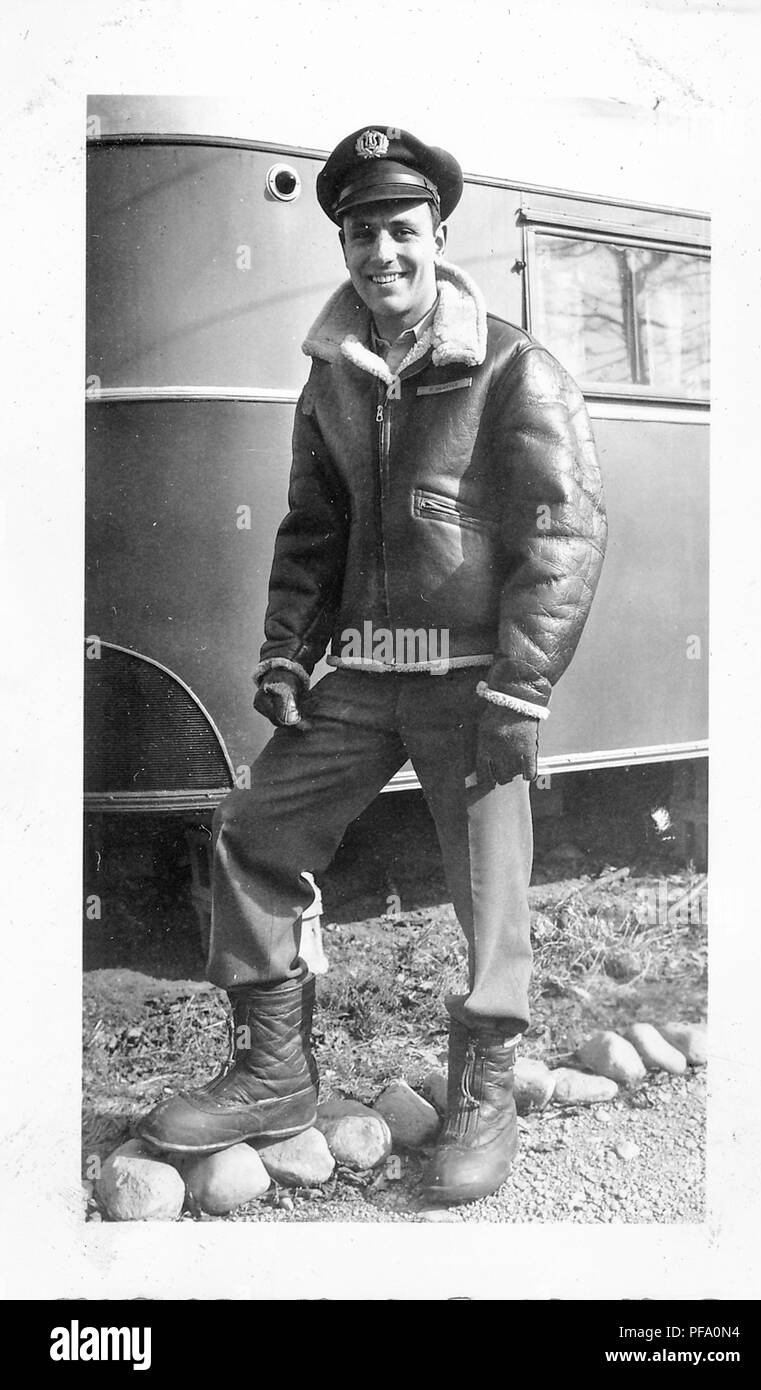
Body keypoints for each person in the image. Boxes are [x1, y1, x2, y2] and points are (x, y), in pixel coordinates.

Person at [139, 124, 608, 1205]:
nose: (380, 255)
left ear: (437, 235)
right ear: (343, 245)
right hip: (361, 672)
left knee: (488, 892)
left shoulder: (510, 367)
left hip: (475, 678)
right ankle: (273, 1073)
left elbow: (564, 534)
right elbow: (312, 530)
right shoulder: (334, 376)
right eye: (360, 235)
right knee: (254, 837)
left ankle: (482, 1092)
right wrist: (285, 655)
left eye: (399, 230)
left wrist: (522, 686)